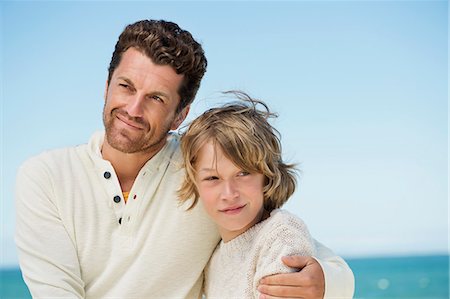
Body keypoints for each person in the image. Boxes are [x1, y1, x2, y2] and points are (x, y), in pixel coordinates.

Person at [15, 19, 354, 298]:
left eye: (156, 98)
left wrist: (328, 281)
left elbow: (293, 248)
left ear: (180, 115)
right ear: (106, 86)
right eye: (126, 87)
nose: (133, 110)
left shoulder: (204, 170)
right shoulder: (45, 177)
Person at [178, 91, 348, 298]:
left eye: (243, 173)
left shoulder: (282, 235)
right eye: (213, 178)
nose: (229, 193)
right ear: (195, 184)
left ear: (266, 176)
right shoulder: (215, 257)